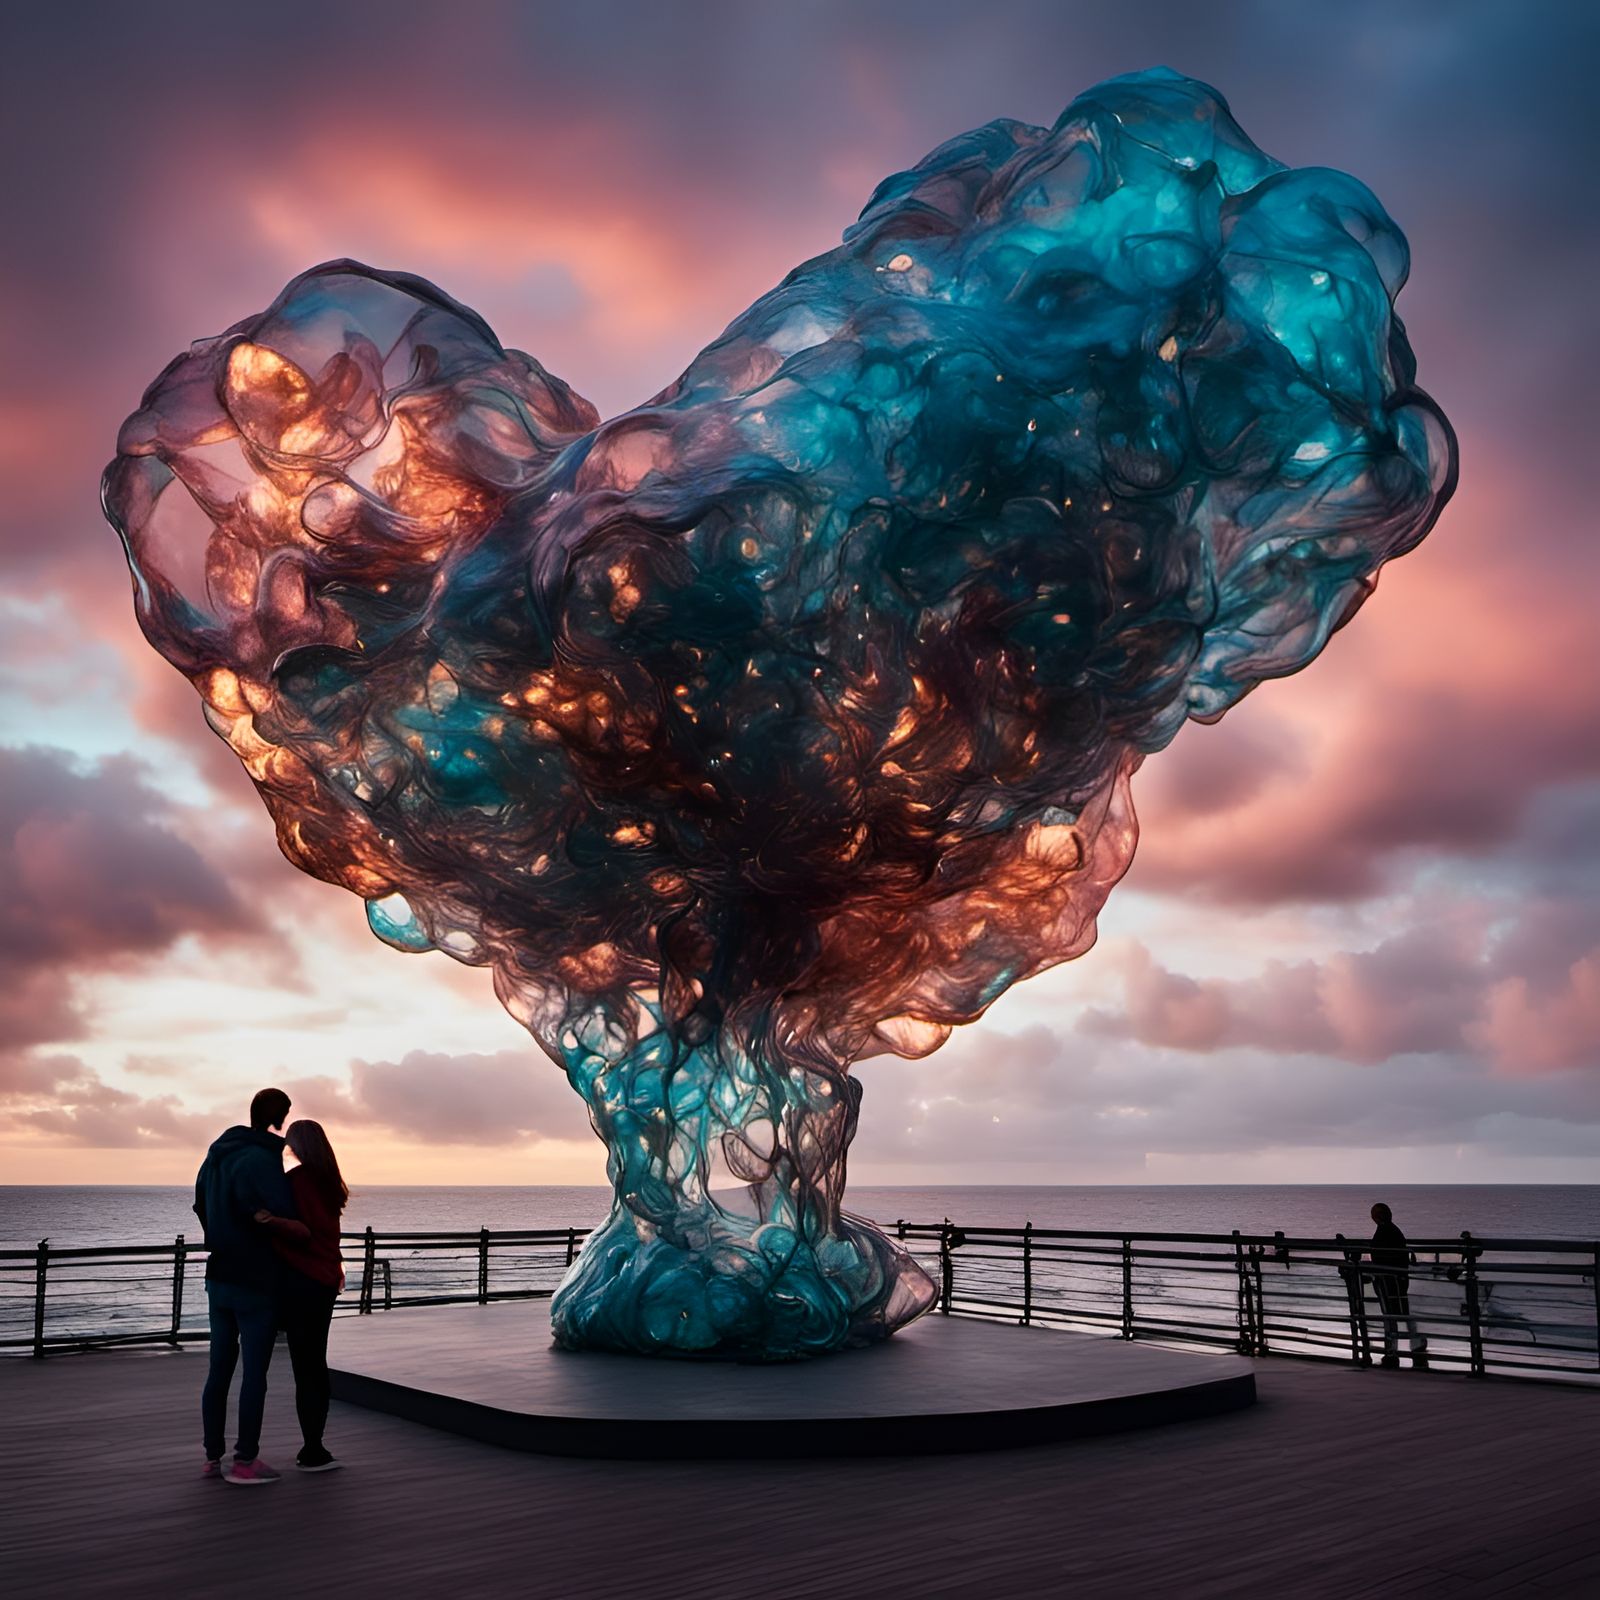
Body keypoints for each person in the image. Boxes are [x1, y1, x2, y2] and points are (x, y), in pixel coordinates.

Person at [194, 1087, 295, 1483]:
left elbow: (201, 1206)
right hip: (254, 1275)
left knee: (218, 1369)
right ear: (280, 1116)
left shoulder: (214, 1157)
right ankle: (245, 1459)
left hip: (218, 1273)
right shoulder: (262, 1158)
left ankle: (211, 1457)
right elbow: (281, 1211)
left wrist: (219, 1234)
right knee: (254, 1373)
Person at [255, 1119, 348, 1473]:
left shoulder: (298, 1181)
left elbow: (302, 1232)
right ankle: (315, 1445)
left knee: (304, 1366)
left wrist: (268, 1221)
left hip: (302, 1282)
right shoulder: (330, 1183)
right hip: (325, 1281)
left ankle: (312, 1447)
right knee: (314, 1364)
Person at [1368, 1202, 1427, 1369]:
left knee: (1391, 1315)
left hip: (1389, 1278)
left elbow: (1382, 1254)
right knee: (1400, 1312)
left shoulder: (1385, 1231)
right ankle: (1413, 1343)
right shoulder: (1393, 1230)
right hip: (1397, 1278)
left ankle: (1394, 1349)